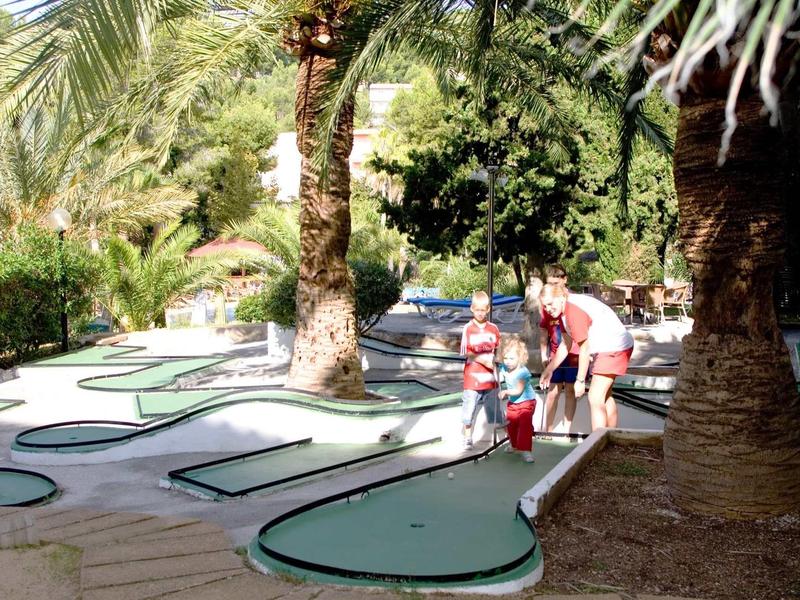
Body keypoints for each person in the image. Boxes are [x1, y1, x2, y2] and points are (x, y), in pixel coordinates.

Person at [538, 283, 634, 431]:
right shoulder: (563, 312)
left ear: (561, 297)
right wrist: (549, 369)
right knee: (605, 396)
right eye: (545, 306)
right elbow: (566, 344)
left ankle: (598, 443)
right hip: (611, 347)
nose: (548, 309)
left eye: (550, 304)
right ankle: (612, 437)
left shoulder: (573, 309)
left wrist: (580, 380)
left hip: (613, 346)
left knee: (595, 397)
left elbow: (584, 348)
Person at [539, 264, 579, 433]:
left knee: (570, 390)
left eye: (556, 283)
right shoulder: (547, 303)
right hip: (556, 353)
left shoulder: (572, 302)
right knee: (553, 391)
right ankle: (547, 430)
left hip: (574, 354)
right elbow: (543, 330)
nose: (553, 287)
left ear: (564, 280)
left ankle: (566, 429)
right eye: (550, 284)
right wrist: (543, 354)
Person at [459, 290, 501, 449]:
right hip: (473, 379)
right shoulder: (468, 328)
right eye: (477, 310)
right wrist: (482, 360)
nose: (480, 313)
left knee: (496, 412)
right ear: (472, 308)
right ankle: (467, 438)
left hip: (490, 380)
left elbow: (498, 349)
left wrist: (497, 363)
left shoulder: (494, 328)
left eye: (483, 310)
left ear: (488, 309)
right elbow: (465, 352)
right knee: (469, 410)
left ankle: (503, 439)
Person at [498, 338, 536, 463]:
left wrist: (505, 392)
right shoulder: (504, 367)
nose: (508, 362)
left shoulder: (522, 372)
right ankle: (514, 445)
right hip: (513, 403)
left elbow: (518, 391)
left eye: (512, 359)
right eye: (506, 358)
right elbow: (495, 363)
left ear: (520, 358)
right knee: (511, 424)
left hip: (527, 402)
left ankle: (526, 451)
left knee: (524, 426)